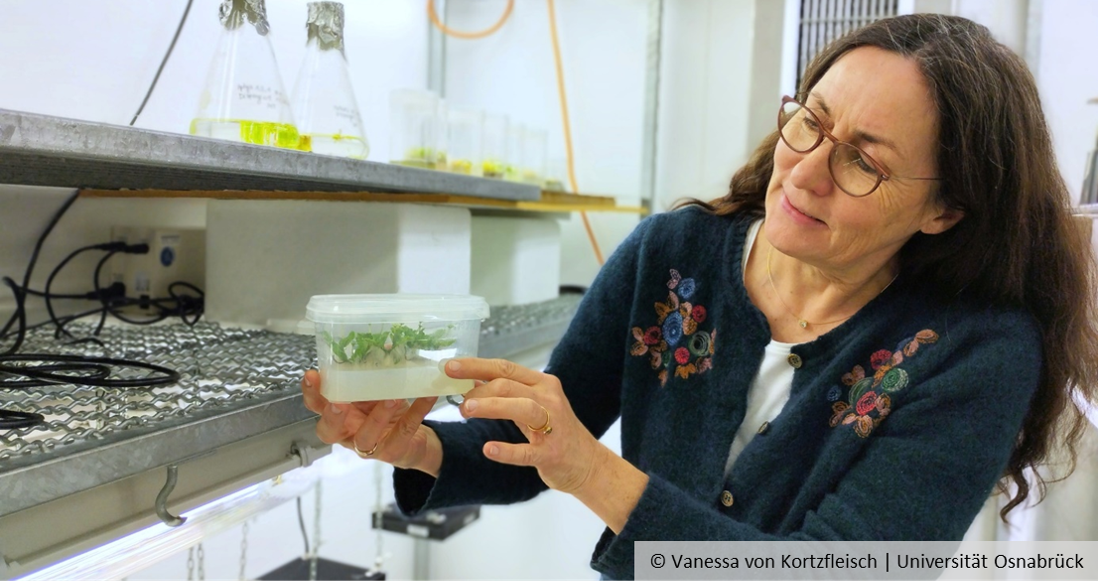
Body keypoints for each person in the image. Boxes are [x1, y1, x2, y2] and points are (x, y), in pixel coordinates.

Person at [300, 13, 1098, 580]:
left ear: (945, 208)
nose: (807, 171)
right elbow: (528, 454)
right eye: (810, 124)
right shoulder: (672, 255)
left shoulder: (978, 352)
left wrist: (593, 471)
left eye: (864, 161)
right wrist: (416, 444)